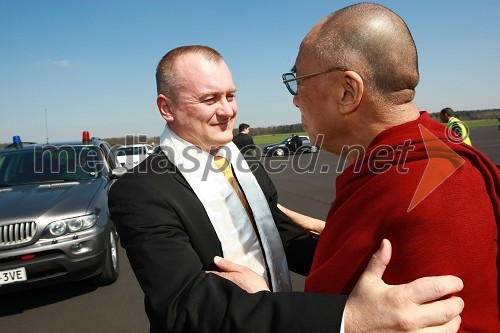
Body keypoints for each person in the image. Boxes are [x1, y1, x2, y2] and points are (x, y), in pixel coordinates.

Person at [108, 45, 464, 333]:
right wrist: (348, 318)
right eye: (209, 99)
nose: (227, 110)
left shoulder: (243, 154)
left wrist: (369, 260)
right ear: (166, 108)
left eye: (230, 95)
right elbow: (184, 307)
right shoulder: (140, 191)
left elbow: (279, 235)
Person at [278, 3, 498, 332]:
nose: (295, 98)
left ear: (347, 91)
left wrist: (257, 295)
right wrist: (326, 228)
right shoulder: (440, 152)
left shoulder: (397, 185)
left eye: (299, 80)